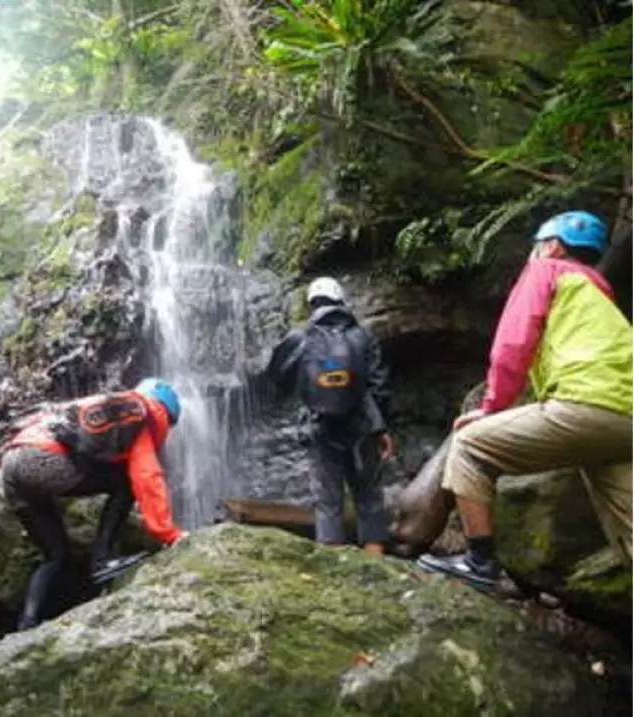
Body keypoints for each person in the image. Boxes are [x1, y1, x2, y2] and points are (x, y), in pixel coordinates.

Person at [418, 211, 633, 590]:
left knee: (469, 446)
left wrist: (490, 408)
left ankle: (480, 563)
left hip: (584, 405)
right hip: (624, 421)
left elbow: (513, 344)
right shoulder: (599, 294)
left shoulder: (545, 271)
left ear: (551, 245)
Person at [1, 378, 188, 631]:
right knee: (125, 479)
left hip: (12, 463)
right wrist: (169, 534)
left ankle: (27, 624)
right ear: (166, 411)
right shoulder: (143, 415)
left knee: (56, 555)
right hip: (40, 458)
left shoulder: (105, 407)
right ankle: (102, 560)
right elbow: (147, 477)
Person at [263, 277, 396, 555]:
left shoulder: (300, 338)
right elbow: (379, 386)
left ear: (312, 303)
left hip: (320, 428)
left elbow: (275, 377)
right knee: (369, 496)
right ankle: (378, 566)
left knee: (327, 502)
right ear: (341, 301)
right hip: (362, 427)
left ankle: (334, 569)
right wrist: (381, 428)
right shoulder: (362, 337)